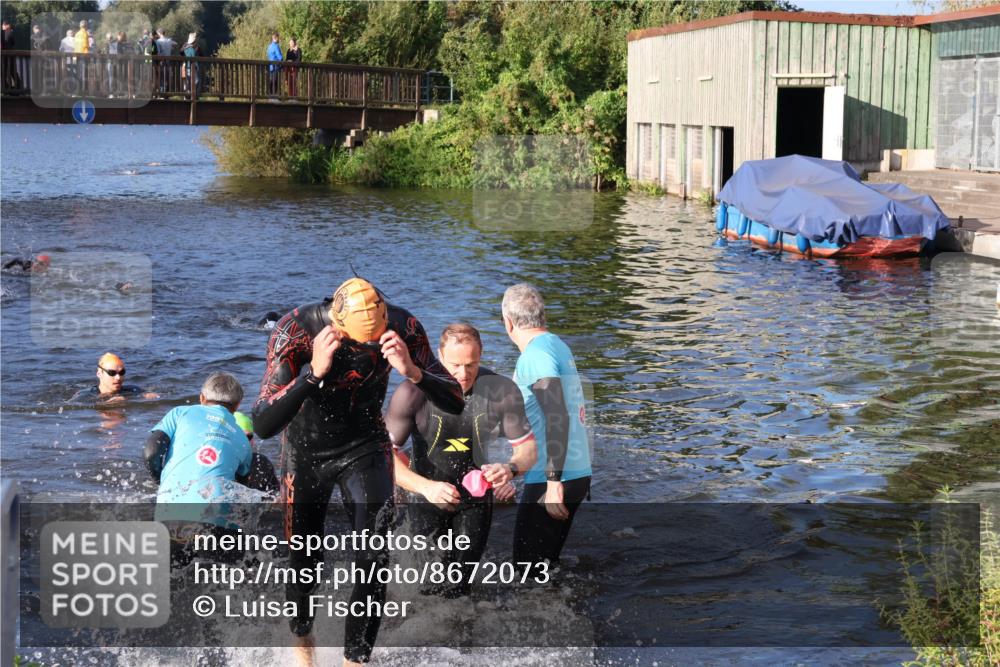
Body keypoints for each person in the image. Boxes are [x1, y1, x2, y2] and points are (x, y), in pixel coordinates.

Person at [253, 277, 463, 667]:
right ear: (338, 323)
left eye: (375, 341)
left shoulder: (404, 326)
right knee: (304, 562)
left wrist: (413, 371)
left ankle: (355, 661)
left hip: (366, 445)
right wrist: (312, 373)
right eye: (359, 342)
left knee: (373, 556)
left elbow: (455, 400)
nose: (369, 348)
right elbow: (264, 422)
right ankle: (303, 645)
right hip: (306, 453)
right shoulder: (295, 329)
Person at [386, 323, 537, 597]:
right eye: (455, 365)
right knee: (423, 588)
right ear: (440, 356)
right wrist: (425, 487)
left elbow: (528, 449)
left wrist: (510, 469)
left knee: (459, 587)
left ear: (481, 356)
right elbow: (384, 456)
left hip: (474, 500)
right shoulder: (412, 394)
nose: (463, 374)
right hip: (426, 498)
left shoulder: (500, 391)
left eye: (472, 364)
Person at [502, 284, 592, 567]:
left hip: (553, 477)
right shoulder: (556, 344)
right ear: (543, 316)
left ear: (508, 322)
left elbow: (556, 415)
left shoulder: (535, 356)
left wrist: (553, 483)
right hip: (575, 472)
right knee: (546, 566)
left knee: (527, 571)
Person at [144, 373, 277, 562]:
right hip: (216, 526)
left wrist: (160, 483)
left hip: (169, 518)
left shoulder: (180, 413)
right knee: (240, 570)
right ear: (237, 405)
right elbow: (241, 488)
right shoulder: (243, 440)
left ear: (202, 398)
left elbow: (151, 452)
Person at [266, 31, 282, 98]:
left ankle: (270, 95)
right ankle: (274, 96)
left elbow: (268, 56)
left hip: (270, 66)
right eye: (278, 38)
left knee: (271, 81)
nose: (279, 39)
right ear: (276, 38)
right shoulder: (276, 46)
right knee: (275, 82)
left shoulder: (269, 46)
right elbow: (280, 57)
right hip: (276, 66)